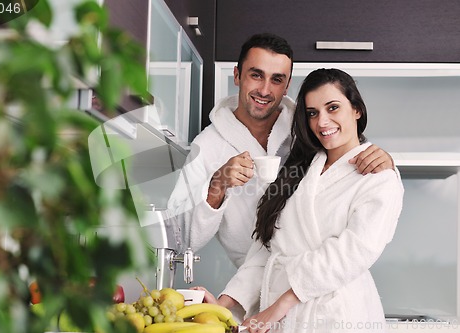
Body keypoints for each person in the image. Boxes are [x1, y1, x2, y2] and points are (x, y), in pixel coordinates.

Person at [167, 33, 394, 270]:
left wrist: (383, 160)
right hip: (250, 282)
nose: (265, 90)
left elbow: (346, 160)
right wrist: (218, 184)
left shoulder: (306, 128)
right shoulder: (208, 146)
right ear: (237, 75)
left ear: (287, 86)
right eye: (256, 75)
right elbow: (180, 240)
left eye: (277, 79)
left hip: (316, 271)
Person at [201, 68, 404, 332]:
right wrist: (221, 305)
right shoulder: (299, 171)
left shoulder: (379, 177)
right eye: (312, 113)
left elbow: (354, 252)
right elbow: (270, 252)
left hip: (336, 316)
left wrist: (281, 304)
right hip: (282, 317)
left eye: (333, 108)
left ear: (357, 110)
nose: (322, 122)